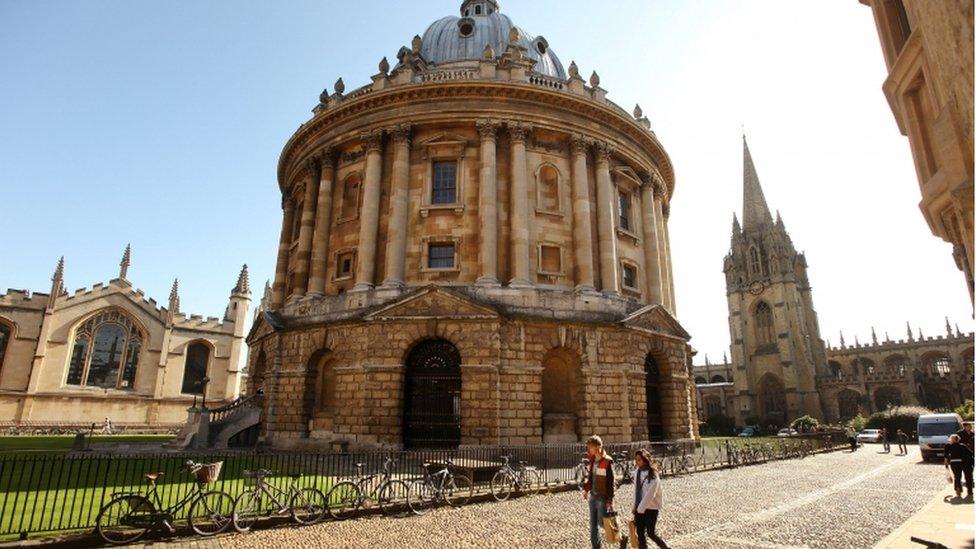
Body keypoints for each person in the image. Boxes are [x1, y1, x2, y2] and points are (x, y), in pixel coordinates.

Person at [632, 449, 669, 549]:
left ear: (645, 460)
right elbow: (636, 491)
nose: (637, 462)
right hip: (639, 507)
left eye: (639, 459)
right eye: (636, 459)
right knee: (640, 532)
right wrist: (634, 506)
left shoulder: (653, 475)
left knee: (650, 532)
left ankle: (665, 547)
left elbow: (650, 495)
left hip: (651, 507)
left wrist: (640, 509)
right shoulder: (637, 472)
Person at [582, 435, 614, 549]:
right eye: (588, 447)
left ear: (598, 447)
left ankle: (621, 536)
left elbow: (610, 482)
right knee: (593, 526)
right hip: (593, 496)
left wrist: (610, 499)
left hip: (602, 497)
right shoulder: (592, 460)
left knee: (602, 523)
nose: (589, 449)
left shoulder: (607, 461)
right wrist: (586, 490)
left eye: (590, 447)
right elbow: (590, 477)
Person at [944, 433, 974, 500]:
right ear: (958, 440)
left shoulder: (948, 446)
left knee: (957, 477)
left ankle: (958, 490)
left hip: (954, 463)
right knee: (968, 477)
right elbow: (970, 453)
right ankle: (969, 491)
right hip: (965, 463)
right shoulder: (962, 446)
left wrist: (946, 464)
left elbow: (946, 456)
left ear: (951, 440)